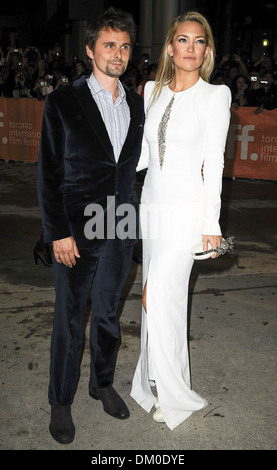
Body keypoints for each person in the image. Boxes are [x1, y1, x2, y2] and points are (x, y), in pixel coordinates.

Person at [37, 7, 144, 444]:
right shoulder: (62, 102)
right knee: (68, 318)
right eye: (108, 45)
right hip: (76, 230)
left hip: (120, 224)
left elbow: (135, 169)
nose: (117, 54)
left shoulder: (136, 103)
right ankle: (60, 402)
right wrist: (57, 232)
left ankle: (101, 383)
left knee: (107, 314)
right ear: (89, 49)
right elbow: (48, 174)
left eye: (123, 46)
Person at [130, 11, 231, 430]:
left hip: (188, 212)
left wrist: (212, 225)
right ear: (170, 46)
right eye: (183, 40)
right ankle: (153, 381)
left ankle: (175, 395)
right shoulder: (151, 90)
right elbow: (140, 157)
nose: (191, 48)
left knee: (158, 297)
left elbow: (215, 162)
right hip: (151, 207)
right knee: (156, 302)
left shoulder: (216, 96)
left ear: (206, 50)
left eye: (199, 41)